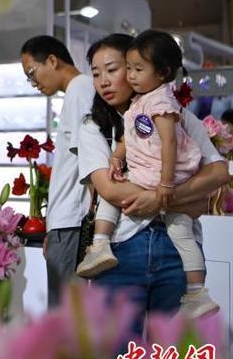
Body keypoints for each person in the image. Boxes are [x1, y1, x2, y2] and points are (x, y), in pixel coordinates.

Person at [77, 33, 230, 333]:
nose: (104, 81)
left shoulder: (176, 115)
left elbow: (219, 173)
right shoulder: (93, 127)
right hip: (120, 250)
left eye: (114, 69)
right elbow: (109, 189)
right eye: (96, 74)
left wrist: (162, 196)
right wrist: (185, 197)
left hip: (177, 252)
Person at [19, 35, 95, 308]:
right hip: (66, 223)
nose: (33, 82)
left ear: (52, 60)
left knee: (65, 321)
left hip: (73, 223)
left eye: (32, 72)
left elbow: (92, 160)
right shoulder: (78, 90)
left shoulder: (80, 89)